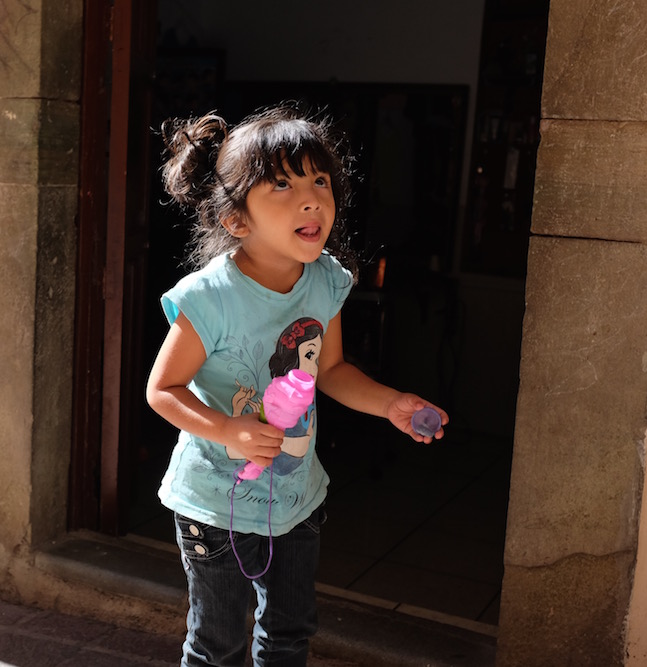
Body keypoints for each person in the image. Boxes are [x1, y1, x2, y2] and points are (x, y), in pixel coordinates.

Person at [145, 103, 448, 667]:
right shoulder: (209, 298)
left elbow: (329, 371)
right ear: (236, 219)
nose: (312, 198)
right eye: (282, 185)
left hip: (296, 501)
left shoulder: (325, 280)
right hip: (216, 507)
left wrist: (391, 404)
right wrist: (228, 429)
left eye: (319, 180)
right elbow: (162, 390)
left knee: (288, 634)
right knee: (218, 645)